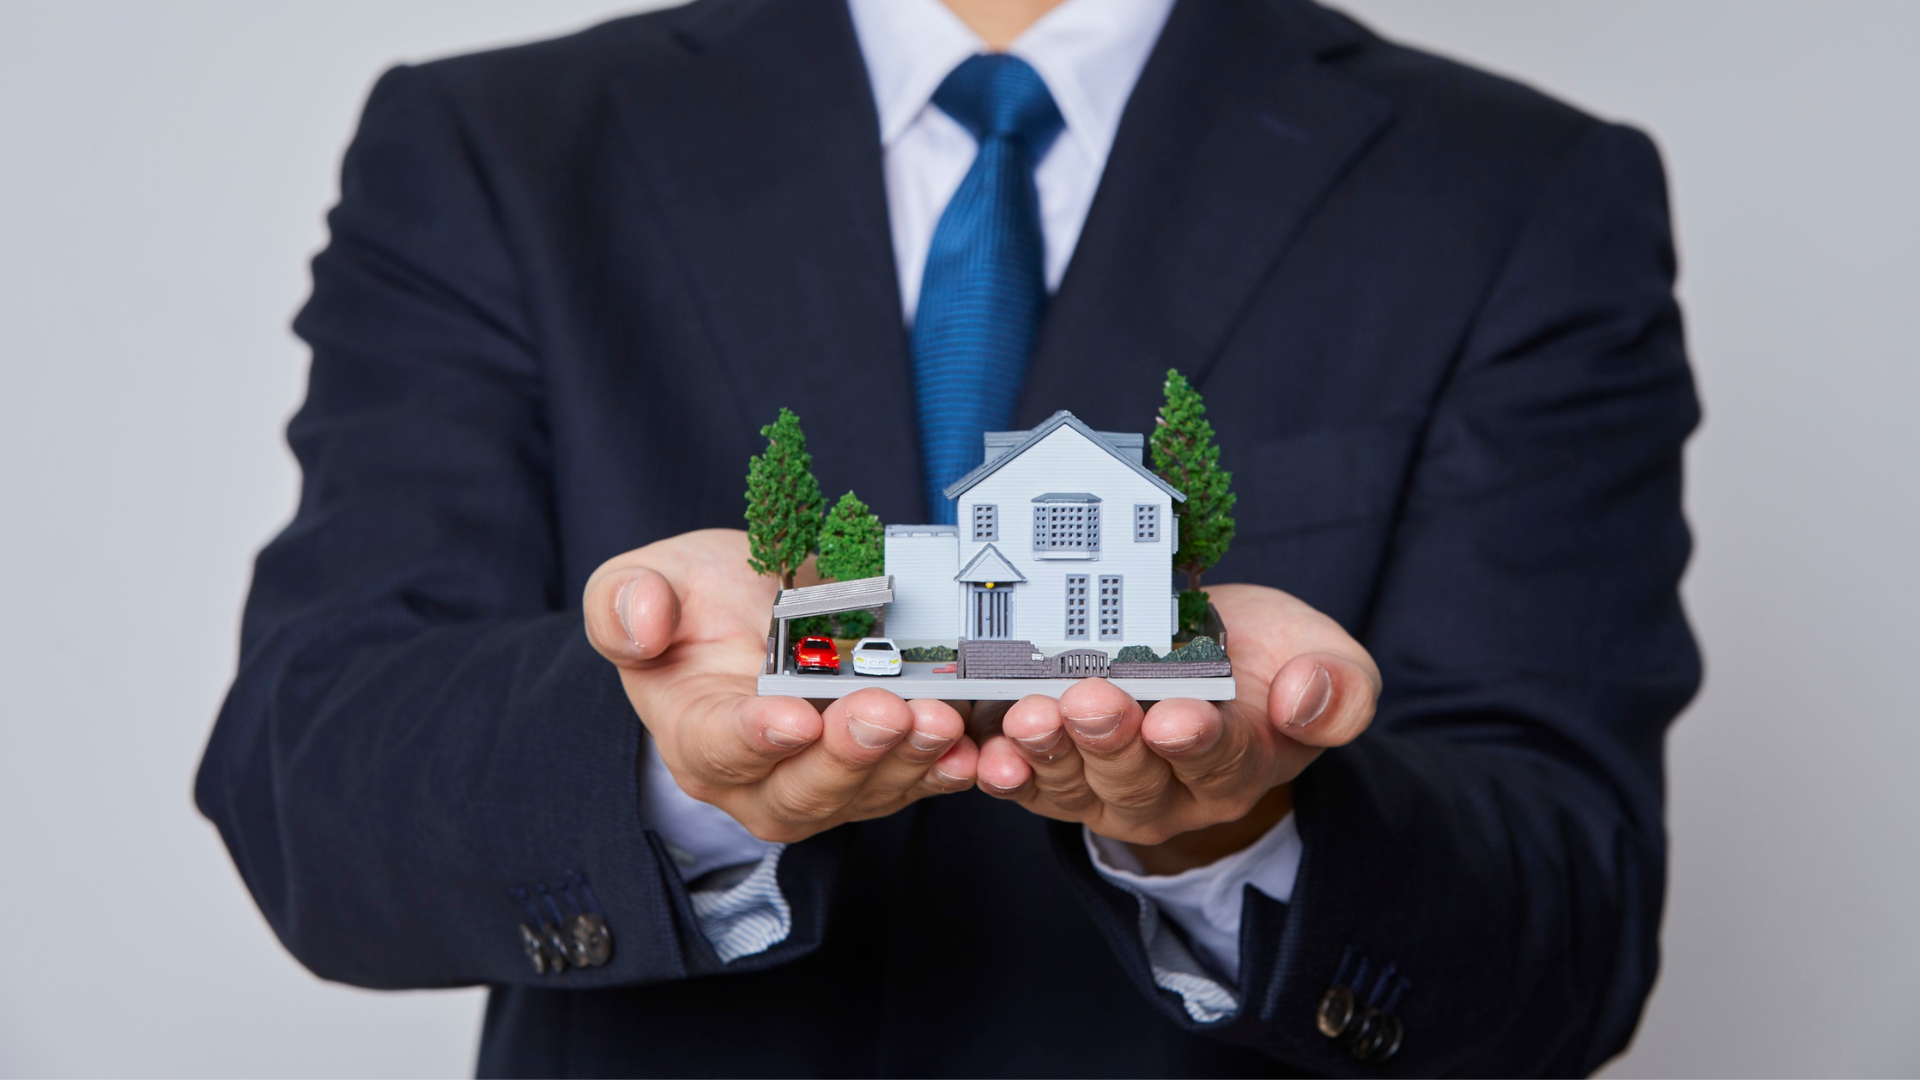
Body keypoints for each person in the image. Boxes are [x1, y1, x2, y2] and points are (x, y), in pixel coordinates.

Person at [195, 0, 1701, 1074]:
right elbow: (313, 782)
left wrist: (1245, 828)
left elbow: (1575, 932)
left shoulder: (1516, 192)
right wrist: (674, 763)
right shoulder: (497, 148)